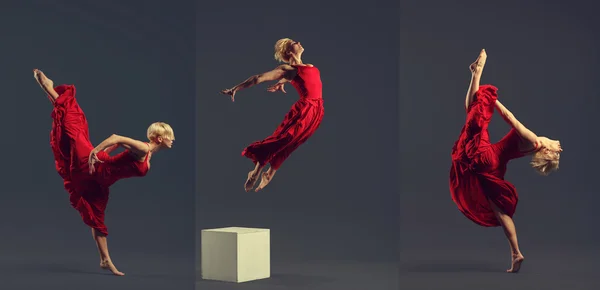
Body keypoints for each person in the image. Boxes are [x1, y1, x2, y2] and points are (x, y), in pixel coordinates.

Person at [34, 69, 175, 276]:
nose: (173, 140)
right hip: (96, 167)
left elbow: (118, 149)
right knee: (75, 128)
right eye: (171, 137)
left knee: (97, 219)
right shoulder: (143, 148)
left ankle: (105, 260)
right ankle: (50, 89)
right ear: (160, 139)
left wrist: (102, 152)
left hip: (101, 182)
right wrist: (94, 152)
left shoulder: (146, 153)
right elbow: (116, 137)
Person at [448, 50, 562, 273]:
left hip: (488, 157)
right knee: (501, 213)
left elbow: (512, 120)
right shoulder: (533, 146)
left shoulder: (534, 140)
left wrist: (493, 101)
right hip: (494, 166)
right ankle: (515, 253)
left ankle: (477, 72)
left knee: (476, 112)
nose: (559, 145)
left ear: (548, 149)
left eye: (558, 149)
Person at [221, 38, 325, 192]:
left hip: (317, 110)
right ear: (290, 51)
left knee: (293, 142)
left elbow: (304, 77)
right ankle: (257, 172)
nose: (299, 42)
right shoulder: (288, 69)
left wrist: (283, 81)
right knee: (284, 138)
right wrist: (236, 88)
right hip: (305, 109)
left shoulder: (305, 67)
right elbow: (259, 78)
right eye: (295, 42)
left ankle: (269, 174)